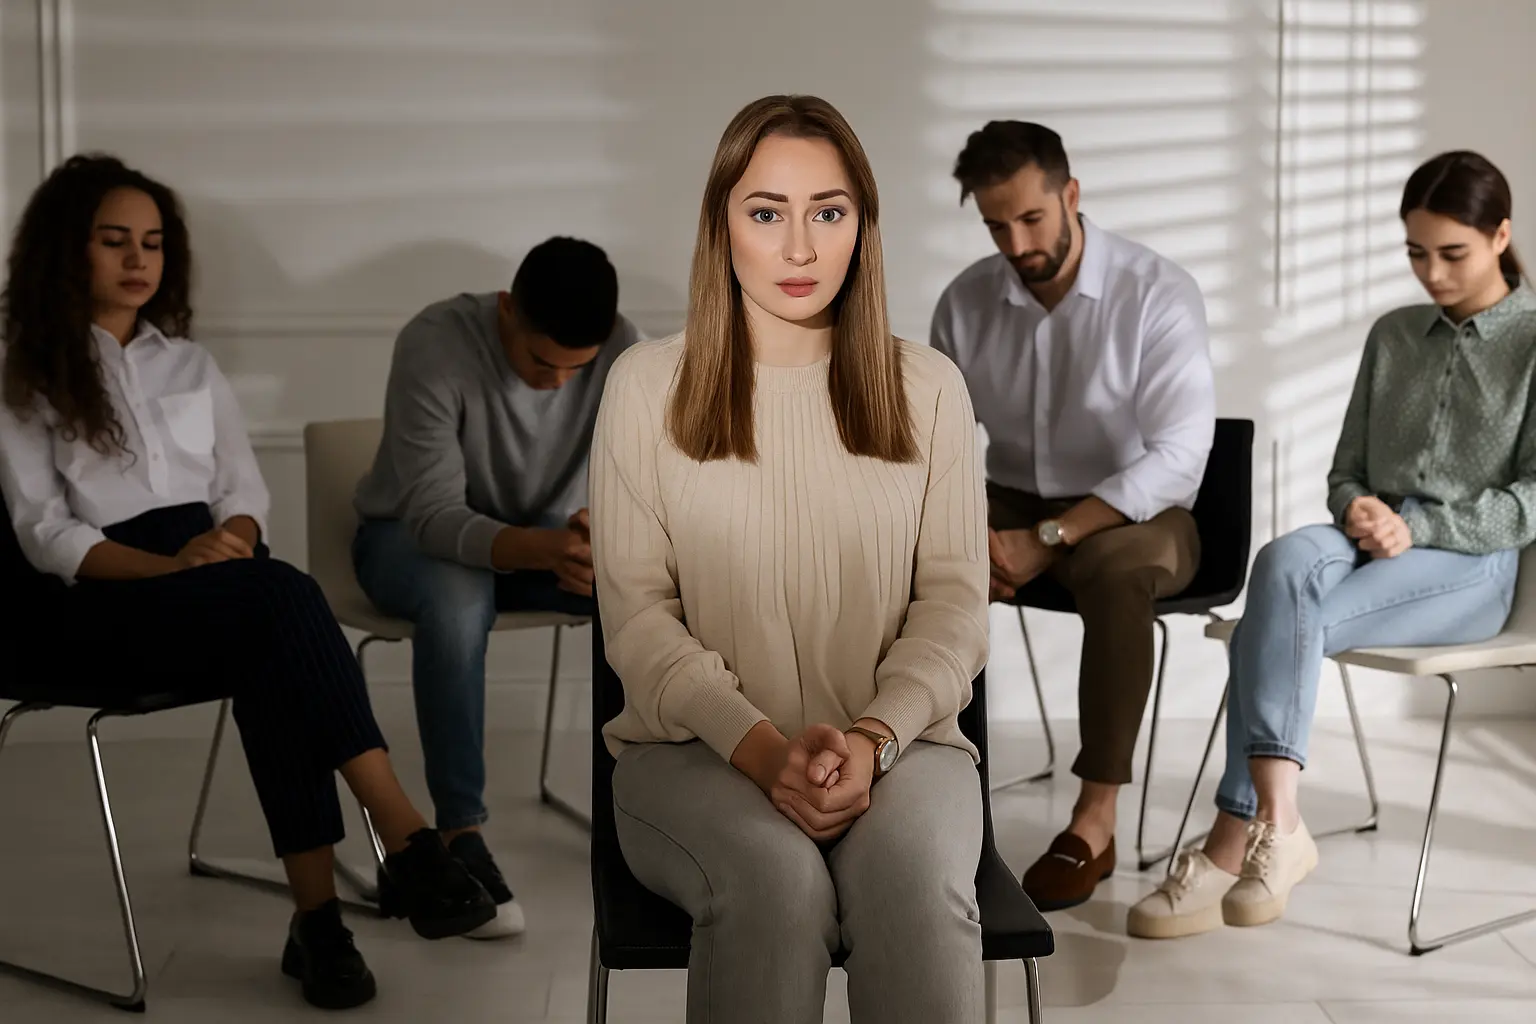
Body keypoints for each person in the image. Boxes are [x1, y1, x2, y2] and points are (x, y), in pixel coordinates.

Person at [0, 154, 496, 1010]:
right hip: (89, 606)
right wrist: (173, 564)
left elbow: (241, 489)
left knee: (278, 639)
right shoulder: (22, 374)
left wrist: (226, 538)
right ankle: (408, 837)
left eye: (152, 242)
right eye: (113, 240)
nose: (137, 260)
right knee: (286, 603)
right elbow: (49, 534)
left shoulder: (188, 364)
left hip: (213, 584)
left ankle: (322, 927)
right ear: (62, 251)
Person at [590, 94, 990, 1024]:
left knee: (918, 890)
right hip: (693, 755)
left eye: (830, 212)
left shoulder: (927, 387)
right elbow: (639, 620)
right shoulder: (646, 388)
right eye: (767, 213)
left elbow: (955, 608)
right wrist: (762, 747)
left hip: (901, 748)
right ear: (721, 226)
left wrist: (872, 737)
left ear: (863, 227)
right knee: (774, 884)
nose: (800, 249)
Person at [1129, 150, 1535, 939]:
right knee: (1282, 560)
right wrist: (1362, 513)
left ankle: (1229, 838)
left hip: (1470, 567)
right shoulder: (1394, 336)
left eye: (1452, 253)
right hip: (1366, 539)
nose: (1433, 274)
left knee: (1269, 626)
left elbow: (1532, 499)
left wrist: (1415, 527)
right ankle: (1281, 822)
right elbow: (1346, 470)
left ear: (1501, 235)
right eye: (1417, 253)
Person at [931, 120, 1216, 910]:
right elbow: (938, 444)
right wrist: (967, 534)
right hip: (1011, 495)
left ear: (1071, 195)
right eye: (996, 225)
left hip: (1138, 510)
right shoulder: (965, 303)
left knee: (1113, 568)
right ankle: (914, 786)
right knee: (906, 545)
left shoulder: (1156, 293)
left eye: (1031, 219)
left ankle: (1094, 822)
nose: (1017, 243)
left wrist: (1049, 537)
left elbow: (1180, 458)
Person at [351, 236, 641, 937]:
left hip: (538, 541)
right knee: (458, 597)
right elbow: (433, 517)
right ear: (507, 309)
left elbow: (642, 480)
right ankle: (459, 836)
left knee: (648, 592)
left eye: (578, 370)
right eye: (542, 362)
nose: (557, 384)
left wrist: (598, 530)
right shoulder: (435, 342)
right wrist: (546, 549)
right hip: (405, 542)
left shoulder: (624, 348)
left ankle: (645, 815)